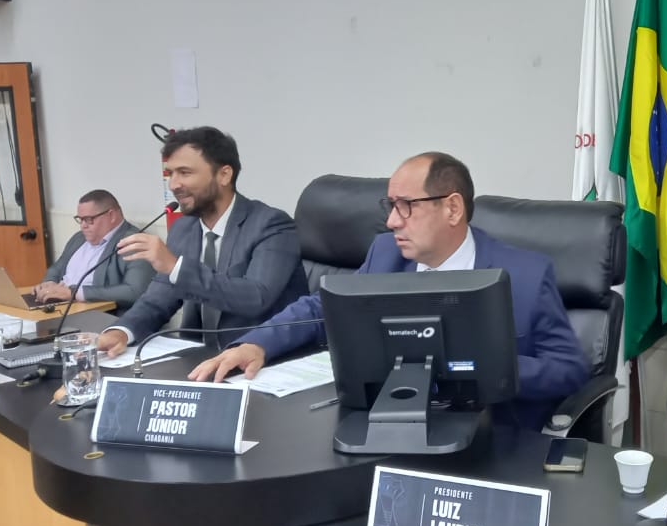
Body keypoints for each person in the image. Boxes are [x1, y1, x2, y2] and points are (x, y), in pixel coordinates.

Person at [188, 151, 590, 431]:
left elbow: (568, 369)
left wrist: (475, 368)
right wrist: (256, 344)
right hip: (388, 423)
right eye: (390, 206)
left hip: (489, 434)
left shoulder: (525, 274)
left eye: (406, 206)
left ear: (452, 208)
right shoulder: (386, 254)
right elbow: (323, 306)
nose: (393, 221)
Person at [98, 126, 308, 354]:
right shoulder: (184, 227)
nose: (173, 184)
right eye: (170, 174)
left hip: (260, 358)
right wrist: (121, 331)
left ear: (224, 175)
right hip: (199, 357)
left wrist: (176, 267)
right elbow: (158, 299)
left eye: (185, 173)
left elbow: (256, 297)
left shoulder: (271, 224)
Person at [33, 190, 151, 313]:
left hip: (96, 314)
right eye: (80, 219)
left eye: (89, 219)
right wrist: (49, 283)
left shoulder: (134, 242)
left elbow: (135, 291)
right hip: (57, 306)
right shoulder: (79, 238)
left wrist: (75, 293)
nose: (83, 225)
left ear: (111, 216)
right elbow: (57, 267)